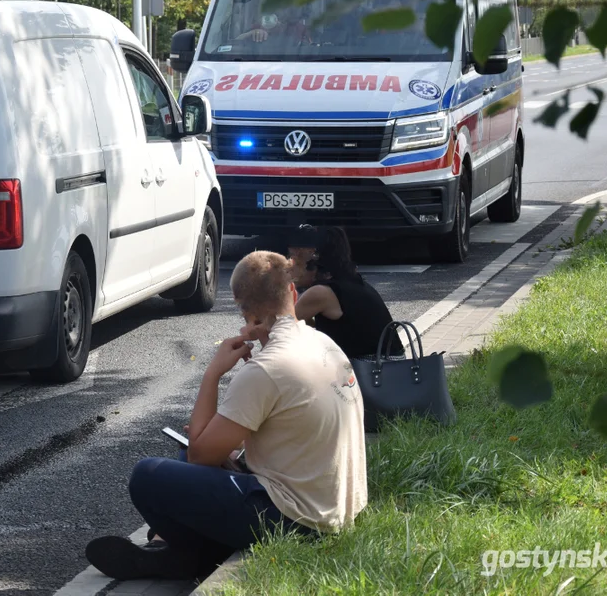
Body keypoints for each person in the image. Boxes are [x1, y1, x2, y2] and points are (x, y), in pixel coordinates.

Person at [85, 251, 367, 581]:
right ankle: (176, 550)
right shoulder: (322, 342)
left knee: (148, 475)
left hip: (299, 522)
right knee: (188, 453)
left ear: (247, 312)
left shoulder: (266, 369)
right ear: (292, 293)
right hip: (339, 507)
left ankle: (186, 554)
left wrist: (214, 373)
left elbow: (200, 456)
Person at [289, 225, 405, 360]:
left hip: (370, 367)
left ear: (312, 257)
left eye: (294, 260)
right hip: (389, 363)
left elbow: (279, 327)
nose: (290, 267)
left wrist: (286, 286)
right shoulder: (351, 281)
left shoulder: (321, 292)